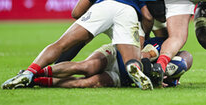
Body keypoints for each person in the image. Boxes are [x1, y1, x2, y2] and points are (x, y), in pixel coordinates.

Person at [2, 0, 154, 90]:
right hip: (128, 11)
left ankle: (29, 72)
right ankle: (133, 67)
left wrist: (91, 23)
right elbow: (147, 16)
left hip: (104, 5)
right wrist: (145, 35)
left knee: (60, 44)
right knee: (130, 60)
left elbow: (76, 12)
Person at [28, 37, 193, 88]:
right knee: (85, 67)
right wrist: (152, 74)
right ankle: (32, 73)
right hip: (117, 55)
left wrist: (158, 80)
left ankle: (40, 82)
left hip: (123, 77)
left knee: (84, 83)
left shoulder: (171, 77)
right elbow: (142, 55)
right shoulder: (159, 44)